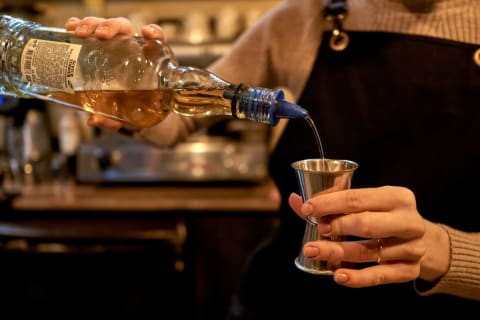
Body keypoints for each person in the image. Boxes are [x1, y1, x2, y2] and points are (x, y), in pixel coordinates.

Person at [65, 0, 480, 317]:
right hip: (289, 297)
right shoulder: (311, 15)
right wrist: (123, 77)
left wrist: (442, 250)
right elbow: (177, 119)